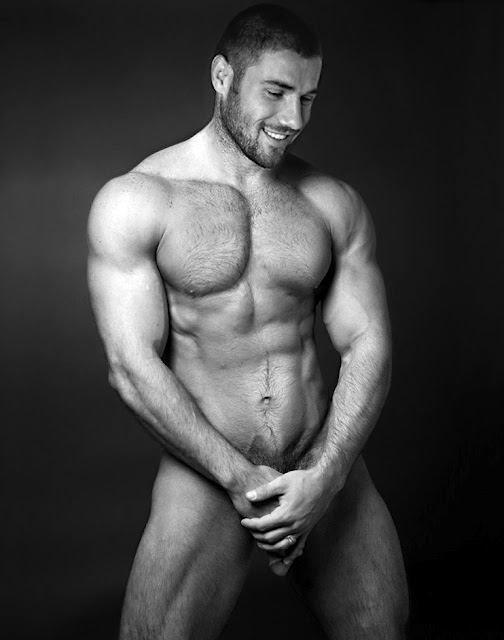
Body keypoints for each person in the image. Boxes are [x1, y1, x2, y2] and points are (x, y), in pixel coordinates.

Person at [87, 4, 409, 639]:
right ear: (221, 76)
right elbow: (130, 366)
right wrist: (240, 480)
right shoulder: (139, 200)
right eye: (277, 92)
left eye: (309, 98)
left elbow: (370, 343)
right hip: (209, 471)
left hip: (320, 459)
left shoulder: (331, 202)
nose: (294, 119)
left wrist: (327, 476)